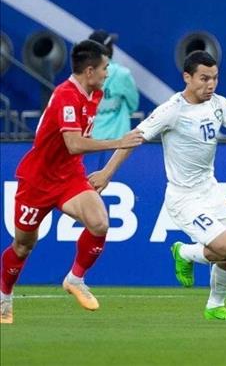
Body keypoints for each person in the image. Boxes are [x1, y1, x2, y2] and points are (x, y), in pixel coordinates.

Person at [88, 50, 226, 321]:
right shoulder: (171, 110)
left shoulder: (220, 104)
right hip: (183, 198)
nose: (210, 84)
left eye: (214, 78)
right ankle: (184, 253)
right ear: (187, 77)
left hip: (210, 190)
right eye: (203, 78)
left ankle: (214, 305)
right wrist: (106, 172)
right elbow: (134, 138)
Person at [0, 40, 144, 324]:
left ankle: (75, 278)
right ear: (89, 71)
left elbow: (75, 147)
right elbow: (74, 143)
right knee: (23, 246)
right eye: (104, 68)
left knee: (100, 222)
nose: (107, 73)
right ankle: (4, 296)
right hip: (37, 180)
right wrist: (119, 142)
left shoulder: (96, 92)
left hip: (69, 177)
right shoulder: (66, 95)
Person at [89, 30, 139, 141]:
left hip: (90, 142)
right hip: (118, 142)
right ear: (109, 49)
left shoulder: (84, 74)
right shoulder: (123, 74)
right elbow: (133, 105)